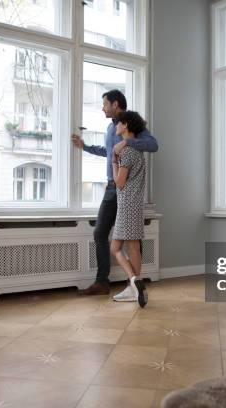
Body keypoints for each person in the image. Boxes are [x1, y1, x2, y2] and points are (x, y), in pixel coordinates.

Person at [71, 90, 158, 296]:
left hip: (128, 188)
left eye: (105, 104)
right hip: (113, 187)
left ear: (115, 104)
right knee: (100, 232)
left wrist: (127, 142)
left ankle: (134, 285)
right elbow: (110, 152)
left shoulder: (133, 123)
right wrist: (85, 147)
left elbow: (153, 145)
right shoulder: (111, 128)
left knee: (132, 240)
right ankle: (103, 282)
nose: (102, 108)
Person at [110, 111, 148, 306]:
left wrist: (113, 161)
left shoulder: (126, 152)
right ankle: (135, 287)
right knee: (133, 247)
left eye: (117, 123)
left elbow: (119, 182)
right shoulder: (139, 152)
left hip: (125, 205)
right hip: (136, 204)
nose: (116, 126)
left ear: (125, 125)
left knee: (115, 248)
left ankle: (134, 280)